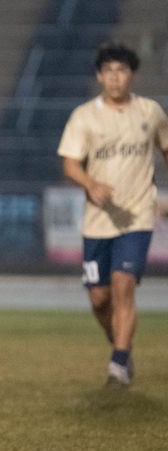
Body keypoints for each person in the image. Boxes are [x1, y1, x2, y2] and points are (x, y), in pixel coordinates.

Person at [58, 42, 168, 387]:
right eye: (109, 71)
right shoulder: (85, 116)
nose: (115, 77)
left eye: (121, 70)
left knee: (123, 287)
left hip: (137, 216)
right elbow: (70, 164)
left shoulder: (151, 113)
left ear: (131, 74)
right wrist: (90, 183)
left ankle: (119, 364)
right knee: (99, 298)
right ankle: (119, 341)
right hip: (98, 221)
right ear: (99, 76)